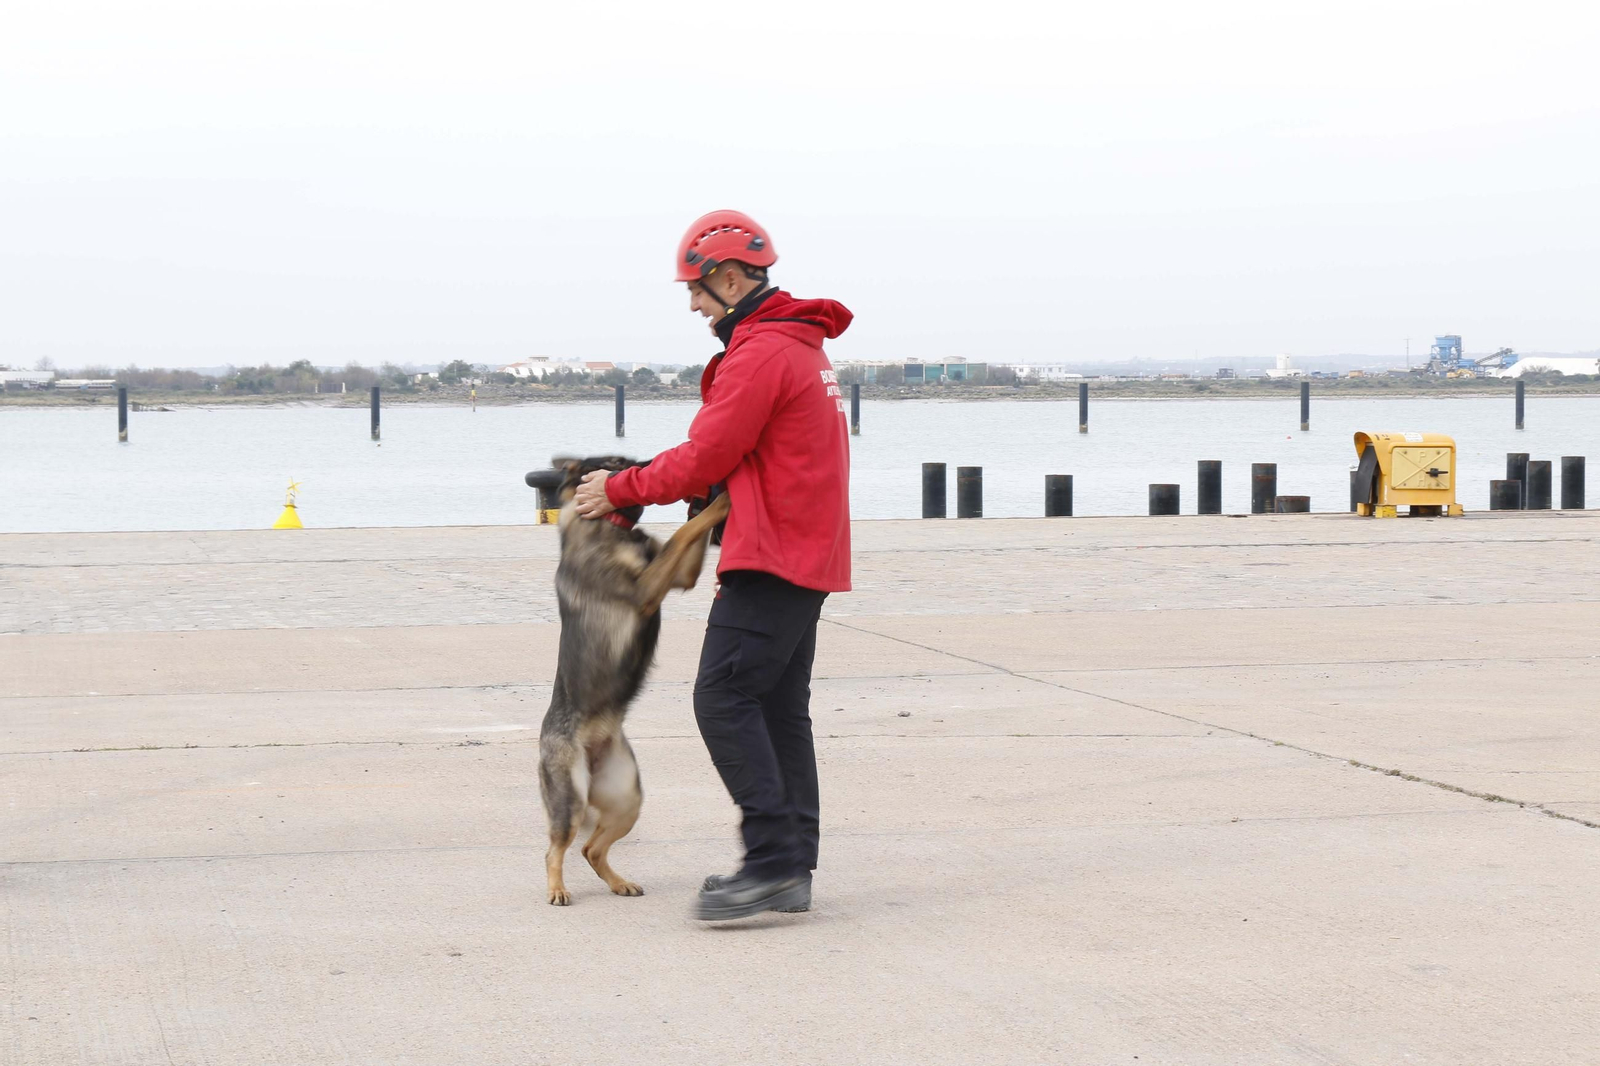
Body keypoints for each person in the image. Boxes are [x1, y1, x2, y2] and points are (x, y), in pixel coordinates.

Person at [572, 209, 852, 920]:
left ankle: (771, 862)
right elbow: (739, 459)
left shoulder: (762, 350)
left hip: (775, 552)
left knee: (722, 698)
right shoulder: (798, 346)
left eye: (696, 290)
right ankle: (793, 864)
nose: (695, 305)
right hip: (805, 548)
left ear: (731, 279)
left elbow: (708, 455)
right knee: (779, 708)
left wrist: (617, 488)